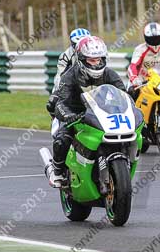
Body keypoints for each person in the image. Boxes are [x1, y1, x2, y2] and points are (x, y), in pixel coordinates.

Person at [48, 35, 127, 187]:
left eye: (99, 59)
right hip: (77, 116)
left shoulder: (110, 74)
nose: (96, 63)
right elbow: (60, 103)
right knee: (62, 139)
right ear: (81, 59)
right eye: (92, 60)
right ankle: (56, 171)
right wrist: (69, 116)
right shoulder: (69, 76)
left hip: (103, 116)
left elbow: (124, 96)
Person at [46, 27, 91, 116]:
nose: (81, 48)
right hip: (72, 84)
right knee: (53, 103)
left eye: (85, 44)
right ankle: (58, 126)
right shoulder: (66, 56)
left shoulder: (96, 53)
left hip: (92, 85)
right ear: (72, 44)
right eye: (78, 44)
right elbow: (60, 76)